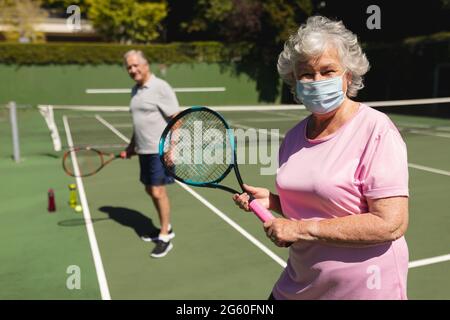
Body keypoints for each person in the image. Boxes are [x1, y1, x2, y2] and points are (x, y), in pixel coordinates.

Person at [233, 16, 409, 299]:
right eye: (306, 74)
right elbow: (318, 205)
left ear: (348, 76)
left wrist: (301, 229)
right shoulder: (292, 137)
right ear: (295, 82)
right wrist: (273, 202)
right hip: (301, 282)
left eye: (328, 71)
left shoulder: (376, 129)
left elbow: (391, 223)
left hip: (362, 289)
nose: (317, 81)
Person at [121, 50, 180, 258]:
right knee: (149, 189)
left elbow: (176, 119)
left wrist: (172, 148)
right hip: (144, 150)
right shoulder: (135, 91)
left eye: (136, 65)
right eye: (129, 67)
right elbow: (139, 124)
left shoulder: (160, 87)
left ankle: (165, 235)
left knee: (157, 191)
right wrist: (131, 146)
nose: (132, 69)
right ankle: (166, 226)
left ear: (146, 65)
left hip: (159, 150)